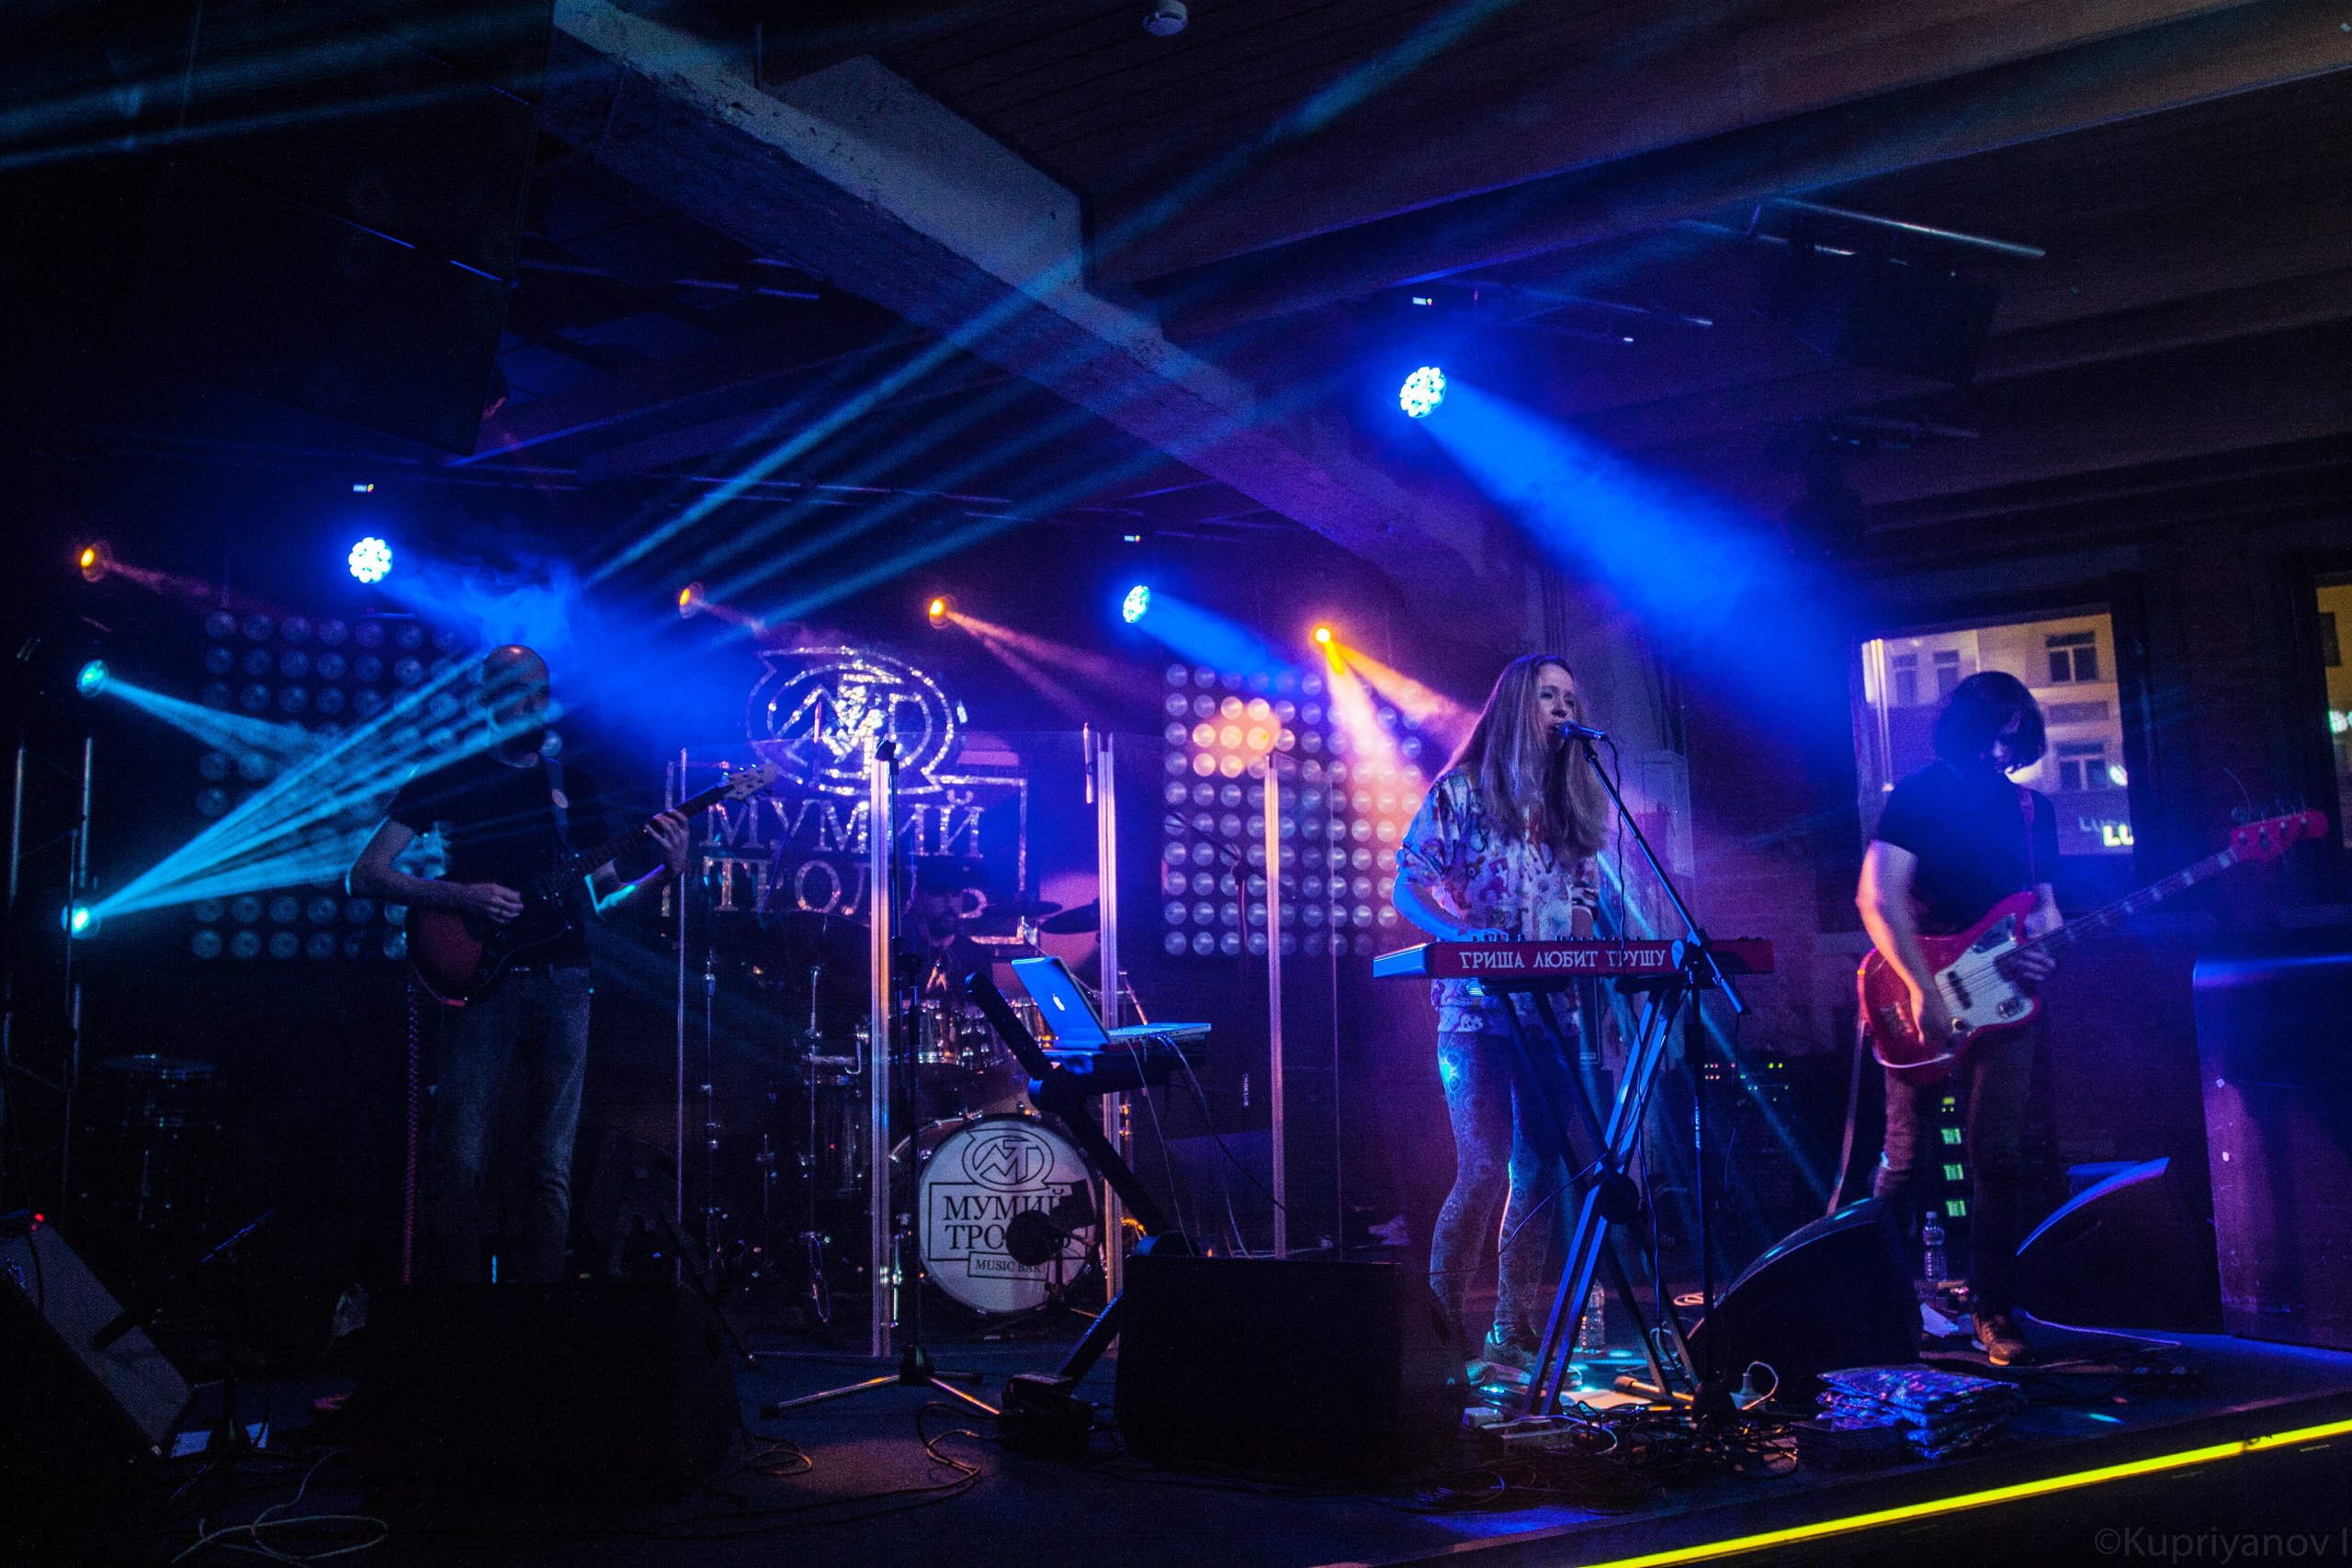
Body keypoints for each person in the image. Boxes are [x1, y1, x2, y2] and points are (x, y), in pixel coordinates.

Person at [348, 645, 689, 1282]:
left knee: (551, 1165)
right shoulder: (449, 775)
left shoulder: (571, 785)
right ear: (488, 698)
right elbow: (365, 874)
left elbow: (607, 902)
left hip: (564, 982)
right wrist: (461, 896)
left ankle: (540, 1316)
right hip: (481, 983)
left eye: (541, 691)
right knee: (460, 1160)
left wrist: (665, 874)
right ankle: (454, 1316)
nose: (533, 704)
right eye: (518, 691)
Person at [1393, 653, 1608, 1384]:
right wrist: (1459, 934)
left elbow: (1583, 900)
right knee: (1483, 1165)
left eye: (1570, 696)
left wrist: (1579, 940)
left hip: (1550, 1011)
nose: (1563, 708)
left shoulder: (1571, 801)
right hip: (1475, 1012)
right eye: (1549, 695)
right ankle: (1440, 1334)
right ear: (1517, 705)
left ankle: (1511, 1330)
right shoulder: (1460, 791)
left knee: (1538, 1168)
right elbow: (1407, 884)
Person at [1856, 670, 2062, 1366]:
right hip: (1920, 987)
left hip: (2005, 1003)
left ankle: (1993, 1309)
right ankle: (1881, 1304)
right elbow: (1878, 896)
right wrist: (1923, 988)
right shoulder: (1919, 797)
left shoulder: (2033, 810)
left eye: (2013, 740)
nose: (2000, 753)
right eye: (1990, 738)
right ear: (1964, 730)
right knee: (1907, 1160)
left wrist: (2046, 951)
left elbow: (2044, 906)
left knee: (1999, 1159)